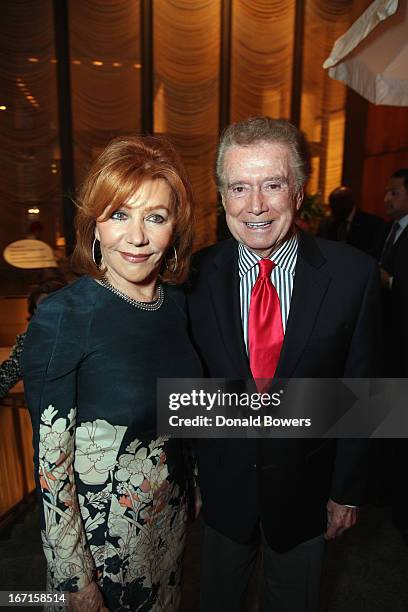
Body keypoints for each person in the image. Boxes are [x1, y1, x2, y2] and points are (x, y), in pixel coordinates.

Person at [187, 117, 381, 612]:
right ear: (222, 197)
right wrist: (193, 474)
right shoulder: (193, 277)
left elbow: (365, 388)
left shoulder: (353, 276)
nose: (255, 205)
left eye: (272, 185)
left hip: (308, 494)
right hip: (222, 490)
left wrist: (348, 491)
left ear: (297, 193)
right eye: (239, 187)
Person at [21, 136, 202, 612]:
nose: (137, 237)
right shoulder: (66, 315)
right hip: (103, 551)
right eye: (120, 214)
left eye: (155, 217)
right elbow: (51, 468)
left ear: (175, 228)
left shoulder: (176, 306)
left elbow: (181, 416)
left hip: (169, 529)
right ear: (94, 225)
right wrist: (74, 581)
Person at [378, 168, 408, 542]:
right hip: (388, 347)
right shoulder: (392, 230)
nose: (387, 198)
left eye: (395, 192)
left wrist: (387, 280)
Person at [0, 280, 65, 398]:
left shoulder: (89, 333)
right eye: (43, 307)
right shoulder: (28, 342)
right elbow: (7, 376)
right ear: (35, 312)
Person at [318, 185, 386, 258]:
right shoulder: (326, 223)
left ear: (349, 203)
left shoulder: (373, 224)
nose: (333, 211)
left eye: (337, 206)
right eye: (332, 207)